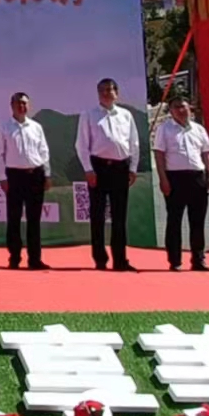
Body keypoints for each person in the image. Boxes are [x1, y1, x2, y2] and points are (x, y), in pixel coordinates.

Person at [76, 77, 139, 272]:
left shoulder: (126, 115)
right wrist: (88, 169)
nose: (106, 93)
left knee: (119, 216)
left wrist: (133, 168)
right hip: (99, 168)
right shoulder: (88, 115)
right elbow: (81, 145)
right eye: (102, 90)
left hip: (121, 168)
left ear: (116, 93)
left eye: (110, 89)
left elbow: (134, 143)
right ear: (98, 94)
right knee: (98, 215)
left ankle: (120, 260)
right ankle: (100, 259)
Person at [153, 96, 209, 273]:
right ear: (171, 111)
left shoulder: (199, 129)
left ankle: (198, 259)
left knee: (198, 221)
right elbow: (159, 154)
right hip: (175, 178)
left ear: (190, 108)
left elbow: (206, 154)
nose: (181, 110)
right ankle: (175, 260)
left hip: (197, 177)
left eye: (183, 107)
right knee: (174, 220)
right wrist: (163, 179)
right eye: (176, 107)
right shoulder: (164, 129)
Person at [0, 91, 53, 271]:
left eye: (25, 103)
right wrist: (2, 178)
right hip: (14, 177)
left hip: (35, 175)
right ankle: (14, 257)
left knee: (34, 220)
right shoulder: (3, 127)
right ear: (11, 105)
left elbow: (44, 152)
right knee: (14, 218)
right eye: (18, 103)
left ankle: (35, 259)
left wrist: (47, 174)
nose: (22, 106)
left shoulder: (36, 127)